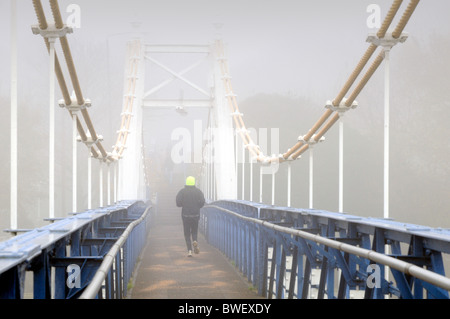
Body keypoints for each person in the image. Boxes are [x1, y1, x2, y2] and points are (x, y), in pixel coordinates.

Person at [176, 176, 205, 257]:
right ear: (194, 182)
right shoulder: (198, 191)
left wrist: (183, 204)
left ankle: (189, 251)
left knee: (187, 233)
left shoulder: (182, 191)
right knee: (194, 231)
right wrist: (198, 206)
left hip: (185, 215)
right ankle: (195, 241)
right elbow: (203, 201)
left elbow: (178, 203)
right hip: (195, 215)